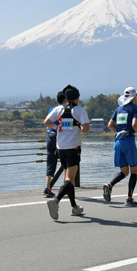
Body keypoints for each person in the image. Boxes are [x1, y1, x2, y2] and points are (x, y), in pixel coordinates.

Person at [44, 85, 90, 220]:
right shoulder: (80, 110)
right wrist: (80, 127)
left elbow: (46, 122)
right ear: (77, 97)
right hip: (73, 148)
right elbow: (86, 129)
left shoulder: (58, 109)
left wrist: (57, 126)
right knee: (70, 179)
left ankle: (75, 207)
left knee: (67, 178)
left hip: (60, 148)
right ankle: (55, 201)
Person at [102, 87, 137, 206]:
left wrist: (119, 130)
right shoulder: (135, 109)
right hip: (129, 141)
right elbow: (134, 124)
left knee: (124, 171)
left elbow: (110, 125)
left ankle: (110, 185)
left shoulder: (118, 109)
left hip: (118, 141)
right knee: (134, 170)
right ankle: (129, 198)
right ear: (134, 97)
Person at [43, 91, 67, 198]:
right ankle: (64, 188)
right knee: (66, 162)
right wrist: (58, 128)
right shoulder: (65, 110)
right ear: (65, 100)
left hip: (50, 137)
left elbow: (47, 123)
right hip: (60, 138)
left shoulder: (51, 110)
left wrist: (53, 128)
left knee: (50, 162)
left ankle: (48, 187)